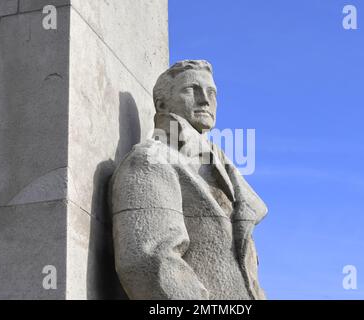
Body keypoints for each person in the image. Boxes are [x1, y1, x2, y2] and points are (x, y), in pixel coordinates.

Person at [110, 60, 268, 300]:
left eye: (211, 93)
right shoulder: (150, 160)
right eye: (191, 90)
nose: (205, 100)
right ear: (162, 103)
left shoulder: (224, 168)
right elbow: (148, 262)